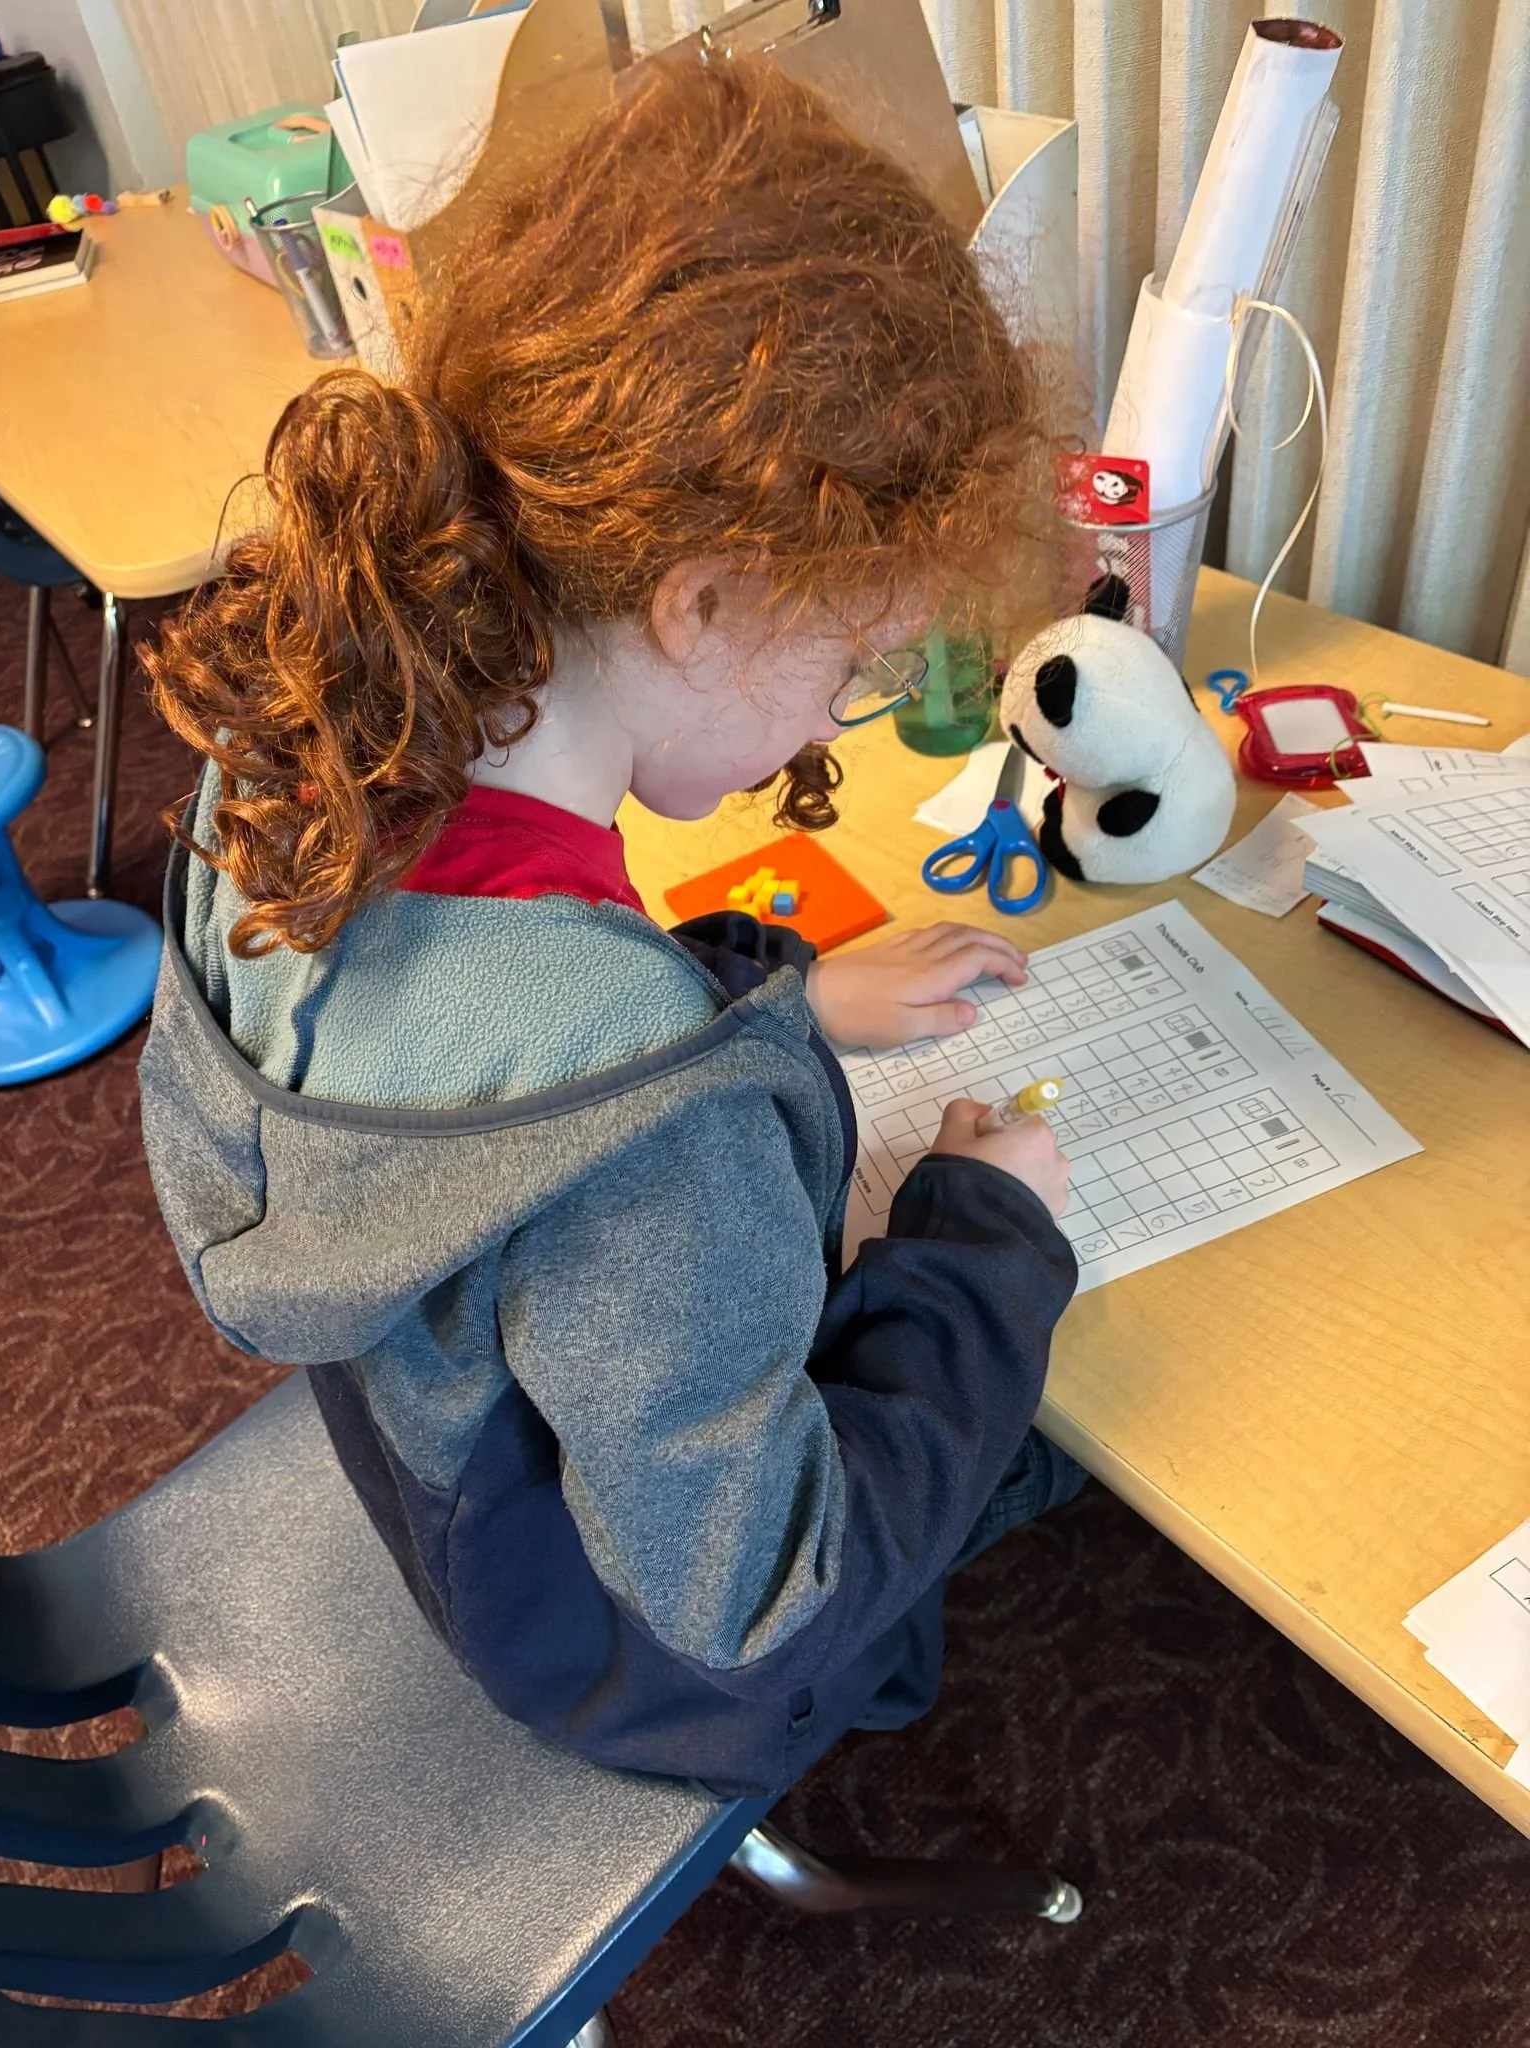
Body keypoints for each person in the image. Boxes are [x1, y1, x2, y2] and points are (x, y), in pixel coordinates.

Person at [137, 59, 1085, 1800]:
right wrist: (986, 1241)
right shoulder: (649, 1127)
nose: (825, 730)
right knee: (1061, 1425)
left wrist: (777, 1008)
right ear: (705, 595)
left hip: (454, 1495)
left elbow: (484, 1071)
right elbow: (760, 1592)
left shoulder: (298, 754)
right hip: (635, 1665)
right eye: (843, 662)